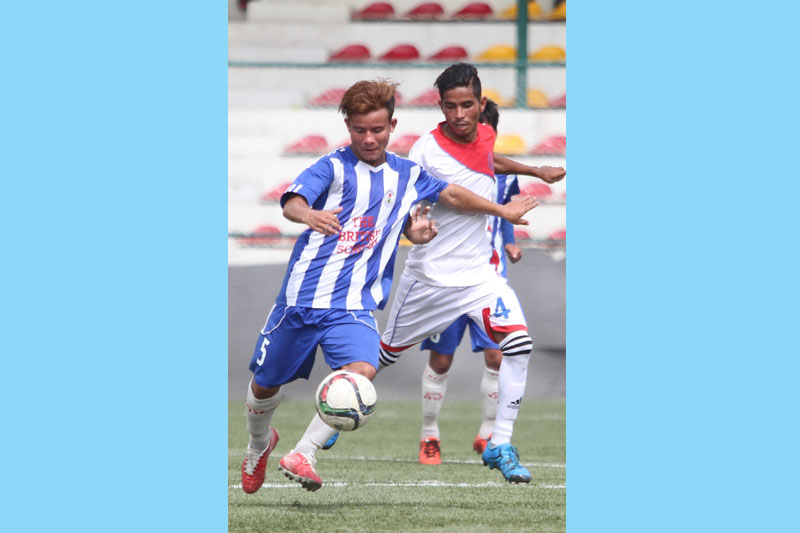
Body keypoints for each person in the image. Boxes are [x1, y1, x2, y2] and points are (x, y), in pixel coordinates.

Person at [240, 78, 539, 493]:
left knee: (362, 372)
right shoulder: (332, 166)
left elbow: (452, 194)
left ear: (392, 125)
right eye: (359, 130)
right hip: (301, 301)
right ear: (348, 127)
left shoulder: (408, 174)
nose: (368, 138)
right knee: (264, 387)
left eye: (377, 130)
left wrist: (498, 212)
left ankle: (303, 453)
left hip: (353, 307)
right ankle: (260, 444)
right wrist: (306, 215)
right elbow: (293, 200)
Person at [377, 63, 565, 484]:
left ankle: (497, 440)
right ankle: (333, 417)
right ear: (440, 107)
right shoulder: (427, 150)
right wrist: (503, 211)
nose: (460, 114)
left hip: (481, 276)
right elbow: (455, 196)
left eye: (467, 105)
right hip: (432, 278)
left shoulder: (485, 133)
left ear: (481, 105)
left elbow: (487, 159)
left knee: (515, 346)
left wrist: (535, 171)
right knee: (383, 358)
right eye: (450, 106)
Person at [416, 99, 525, 466]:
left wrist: (509, 240)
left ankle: (488, 433)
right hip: (446, 277)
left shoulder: (503, 174)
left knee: (499, 355)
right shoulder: (446, 166)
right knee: (442, 360)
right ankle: (429, 435)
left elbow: (505, 212)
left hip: (488, 276)